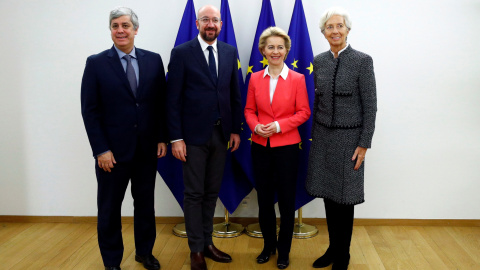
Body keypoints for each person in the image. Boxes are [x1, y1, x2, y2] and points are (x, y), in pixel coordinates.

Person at [81, 7, 167, 270]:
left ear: (135, 30)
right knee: (109, 210)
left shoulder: (154, 60)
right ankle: (112, 262)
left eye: (126, 25)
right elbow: (90, 111)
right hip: (112, 155)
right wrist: (101, 150)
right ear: (110, 30)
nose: (120, 30)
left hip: (146, 150)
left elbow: (159, 104)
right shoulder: (96, 63)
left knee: (145, 206)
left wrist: (162, 138)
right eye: (115, 25)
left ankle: (145, 253)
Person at [166, 5, 242, 270]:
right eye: (205, 20)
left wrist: (235, 130)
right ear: (198, 23)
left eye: (215, 20)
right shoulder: (181, 53)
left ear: (221, 25)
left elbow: (235, 93)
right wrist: (175, 138)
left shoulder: (229, 52)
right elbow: (172, 99)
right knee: (194, 194)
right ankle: (196, 249)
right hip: (192, 138)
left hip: (221, 135)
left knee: (211, 192)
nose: (210, 24)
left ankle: (208, 243)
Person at [306, 6, 377, 270]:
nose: (334, 31)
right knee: (328, 195)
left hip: (350, 141)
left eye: (339, 26)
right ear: (323, 33)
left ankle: (343, 255)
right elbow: (316, 101)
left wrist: (364, 144)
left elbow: (371, 106)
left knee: (345, 200)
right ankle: (332, 249)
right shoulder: (319, 60)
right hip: (323, 138)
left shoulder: (362, 61)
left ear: (347, 30)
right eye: (329, 27)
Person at [244, 26, 311, 269]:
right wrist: (255, 127)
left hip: (287, 149)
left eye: (280, 47)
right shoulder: (254, 78)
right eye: (270, 47)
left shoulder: (297, 79)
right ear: (263, 50)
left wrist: (279, 126)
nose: (275, 51)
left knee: (285, 200)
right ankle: (268, 246)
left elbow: (304, 112)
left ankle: (284, 251)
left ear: (286, 51)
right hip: (260, 146)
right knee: (263, 200)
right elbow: (249, 110)